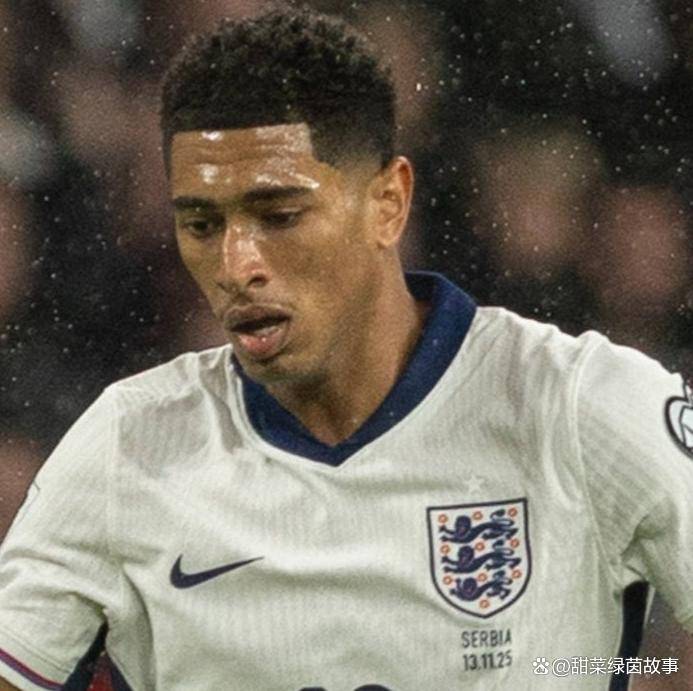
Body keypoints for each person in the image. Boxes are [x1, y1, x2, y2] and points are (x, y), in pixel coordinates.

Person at [0, 8, 692, 691]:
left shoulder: (579, 406)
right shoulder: (128, 447)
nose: (236, 265)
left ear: (388, 203)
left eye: (279, 216)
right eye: (203, 224)